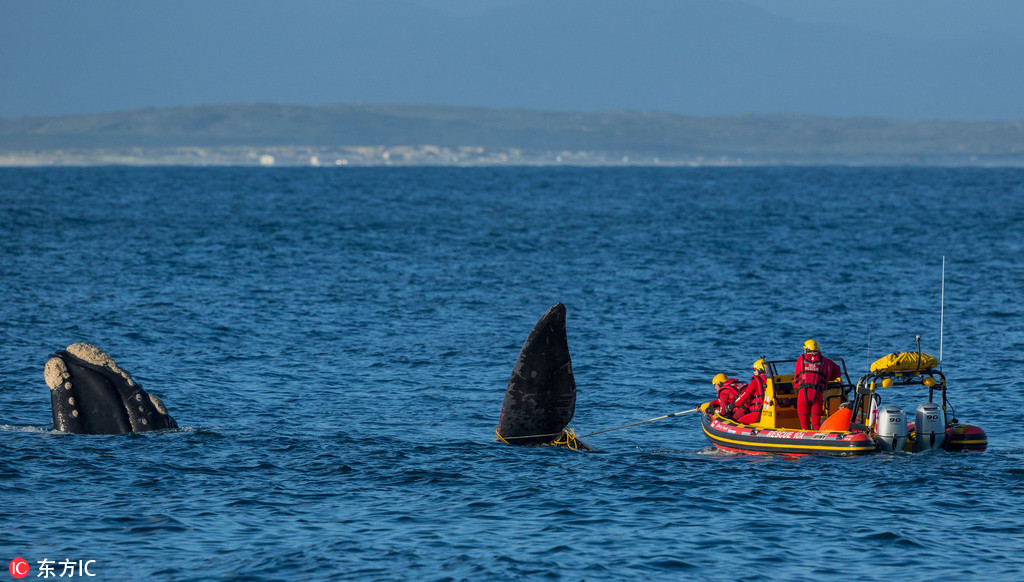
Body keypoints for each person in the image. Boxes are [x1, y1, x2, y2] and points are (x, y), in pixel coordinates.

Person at [793, 339, 841, 430]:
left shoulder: (800, 360)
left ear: (806, 350)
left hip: (803, 394)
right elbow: (837, 371)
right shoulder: (825, 361)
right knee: (816, 425)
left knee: (804, 425)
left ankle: (805, 441)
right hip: (817, 394)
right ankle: (818, 441)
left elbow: (796, 379)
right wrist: (827, 379)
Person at [733, 359, 768, 424]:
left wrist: (733, 405)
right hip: (768, 413)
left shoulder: (755, 382)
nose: (753, 372)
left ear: (760, 370)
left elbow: (745, 396)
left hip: (758, 413)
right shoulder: (771, 381)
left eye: (755, 370)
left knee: (738, 422)